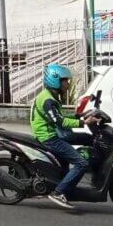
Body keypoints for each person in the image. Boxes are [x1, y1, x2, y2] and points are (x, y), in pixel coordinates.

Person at [30, 63, 97, 210]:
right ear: (55, 81)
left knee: (87, 139)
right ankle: (58, 192)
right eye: (65, 81)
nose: (68, 84)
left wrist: (80, 115)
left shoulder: (51, 96)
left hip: (53, 133)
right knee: (81, 163)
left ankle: (66, 184)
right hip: (49, 137)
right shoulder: (48, 100)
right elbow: (60, 121)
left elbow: (60, 116)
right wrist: (83, 122)